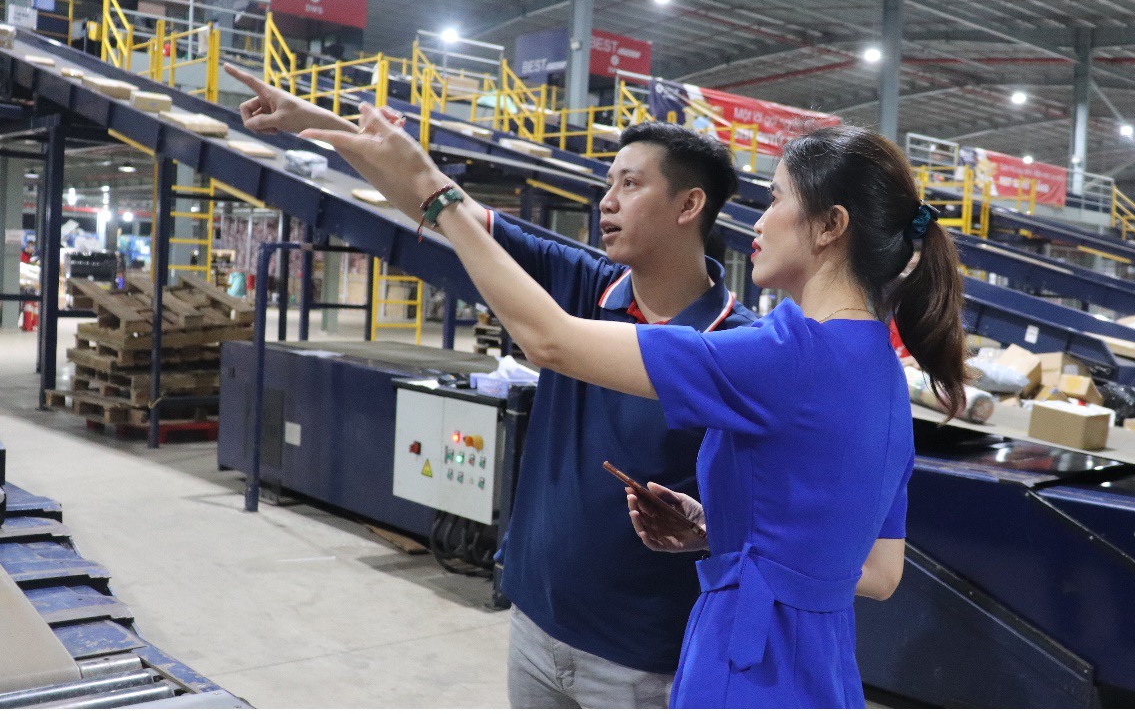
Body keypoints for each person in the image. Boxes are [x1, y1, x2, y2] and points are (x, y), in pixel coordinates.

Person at [299, 107, 966, 707]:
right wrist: (720, 530)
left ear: (830, 226)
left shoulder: (784, 353)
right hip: (820, 678)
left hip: (745, 671)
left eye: (776, 199)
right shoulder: (882, 374)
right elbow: (880, 573)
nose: (759, 222)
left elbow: (550, 341)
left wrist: (439, 194)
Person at [223, 63, 755, 708]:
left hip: (645, 657)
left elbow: (760, 512)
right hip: (534, 622)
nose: (606, 201)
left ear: (689, 205)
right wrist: (312, 122)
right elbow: (441, 204)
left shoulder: (738, 349)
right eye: (608, 183)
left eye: (631, 184)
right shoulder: (584, 283)